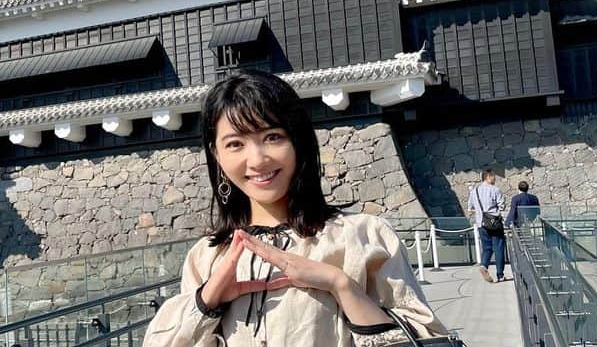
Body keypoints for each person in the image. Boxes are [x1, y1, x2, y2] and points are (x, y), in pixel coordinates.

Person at [143, 70, 445, 347]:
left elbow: (427, 338)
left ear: (298, 141)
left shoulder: (363, 236)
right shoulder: (207, 256)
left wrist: (341, 285)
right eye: (235, 144)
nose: (258, 159)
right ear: (217, 155)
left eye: (272, 137)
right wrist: (207, 301)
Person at [467, 168, 505, 282]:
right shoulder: (495, 190)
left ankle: (484, 265)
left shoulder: (474, 191)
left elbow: (470, 208)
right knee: (498, 247)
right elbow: (502, 206)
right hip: (494, 223)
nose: (495, 178)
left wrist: (478, 211)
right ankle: (500, 275)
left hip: (480, 223)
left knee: (487, 248)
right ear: (488, 177)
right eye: (493, 176)